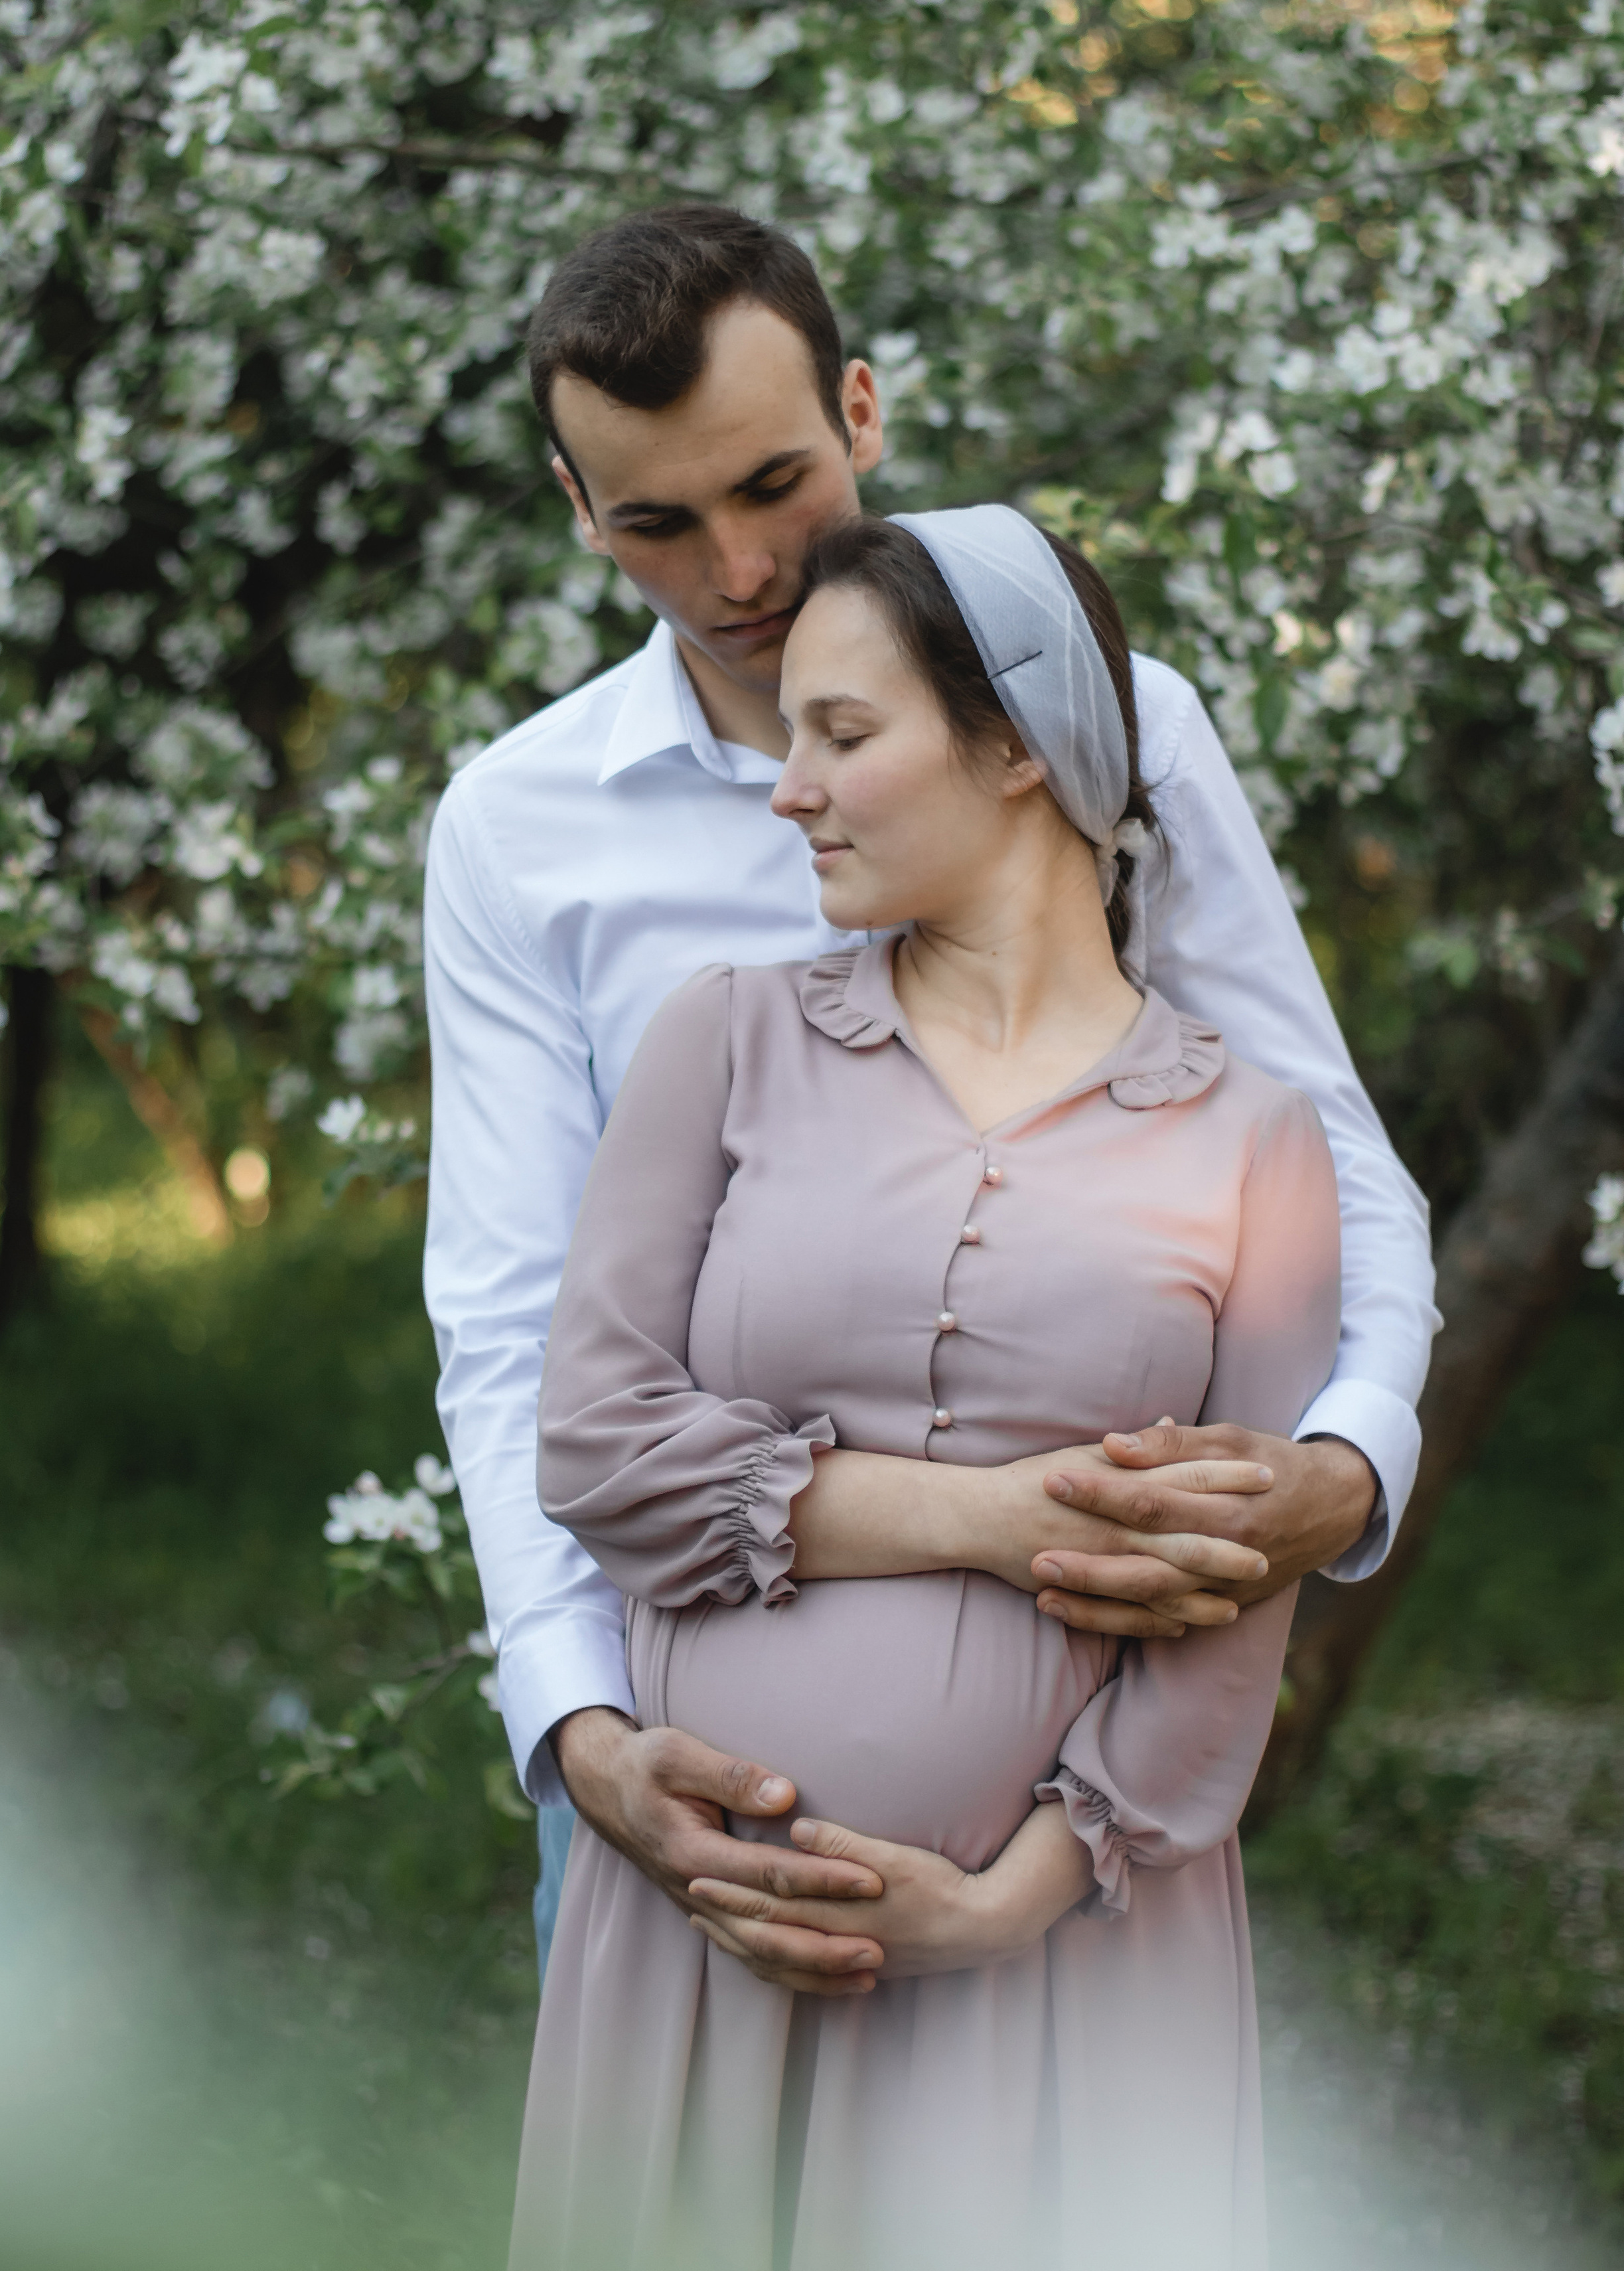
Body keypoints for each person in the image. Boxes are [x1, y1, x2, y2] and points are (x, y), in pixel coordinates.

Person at [421, 204, 1436, 1998]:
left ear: (864, 413)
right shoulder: (521, 830)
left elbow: (1317, 1149)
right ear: (582, 516)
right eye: (656, 524)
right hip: (674, 1785)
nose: (738, 566)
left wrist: (1341, 1468)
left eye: (774, 483)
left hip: (1079, 1833)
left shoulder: (1124, 729)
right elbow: (519, 1339)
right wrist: (581, 1740)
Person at [506, 505, 1341, 2268]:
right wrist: (988, 1518)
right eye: (785, 734)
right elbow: (593, 1443)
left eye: (844, 734)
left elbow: (1230, 1618)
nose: (788, 788)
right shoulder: (722, 1042)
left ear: (1020, 750)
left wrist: (994, 1907)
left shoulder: (1252, 1141)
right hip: (712, 1940)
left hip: (1069, 1967)